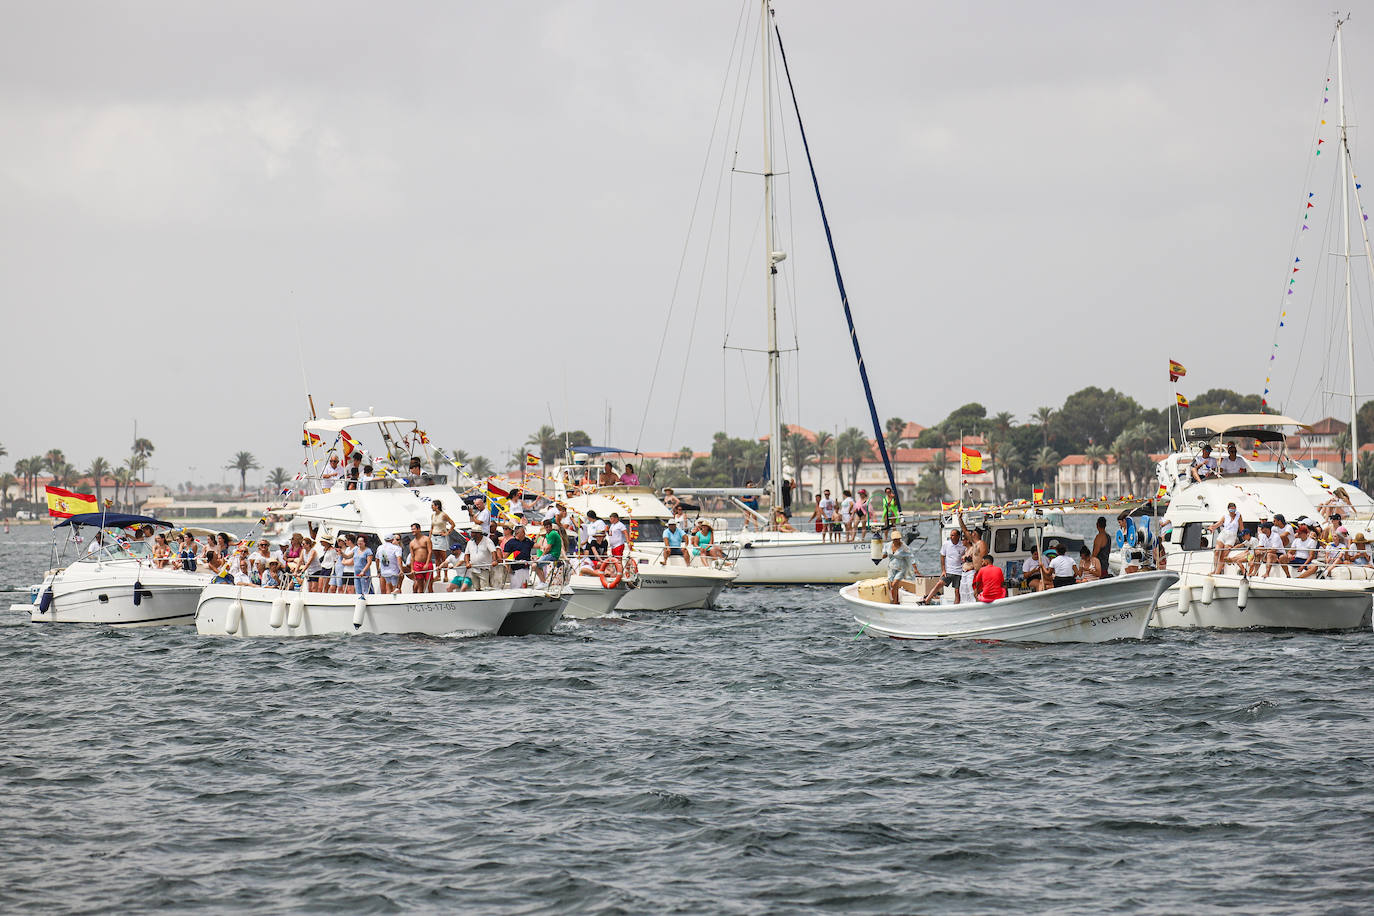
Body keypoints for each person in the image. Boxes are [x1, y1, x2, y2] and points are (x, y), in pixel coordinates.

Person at [923, 527, 966, 604]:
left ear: (958, 536)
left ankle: (956, 607)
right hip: (948, 571)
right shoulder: (946, 544)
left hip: (959, 572)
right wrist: (943, 570)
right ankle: (927, 600)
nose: (951, 537)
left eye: (953, 535)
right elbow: (942, 556)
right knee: (939, 584)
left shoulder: (963, 545)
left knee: (957, 592)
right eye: (950, 535)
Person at [883, 532, 918, 604]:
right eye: (895, 539)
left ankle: (894, 601)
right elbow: (885, 554)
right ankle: (896, 600)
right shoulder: (887, 545)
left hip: (901, 568)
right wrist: (879, 557)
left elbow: (911, 558)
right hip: (891, 568)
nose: (897, 541)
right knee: (892, 585)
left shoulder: (904, 547)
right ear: (892, 539)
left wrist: (915, 569)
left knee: (894, 584)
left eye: (898, 539)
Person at [1208, 502, 1243, 574]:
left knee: (1223, 555)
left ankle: (1217, 572)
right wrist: (1212, 527)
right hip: (1223, 534)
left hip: (1231, 537)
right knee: (1217, 551)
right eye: (1231, 511)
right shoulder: (1225, 516)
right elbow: (1218, 524)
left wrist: (1246, 537)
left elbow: (1241, 527)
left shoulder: (1238, 516)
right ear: (1228, 510)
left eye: (1234, 510)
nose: (1232, 512)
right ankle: (1215, 569)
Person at [408, 523, 434, 593]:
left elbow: (430, 552)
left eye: (414, 529)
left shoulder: (426, 539)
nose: (412, 531)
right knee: (420, 586)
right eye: (412, 529)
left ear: (419, 529)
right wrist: (412, 569)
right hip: (417, 565)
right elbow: (412, 556)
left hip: (427, 563)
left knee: (429, 585)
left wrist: (427, 564)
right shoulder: (412, 543)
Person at [536, 517, 563, 584]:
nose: (548, 528)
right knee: (537, 565)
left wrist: (541, 556)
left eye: (549, 527)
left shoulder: (552, 534)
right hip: (552, 554)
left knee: (535, 565)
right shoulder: (549, 534)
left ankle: (543, 583)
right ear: (544, 528)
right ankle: (543, 582)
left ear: (551, 526)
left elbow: (548, 548)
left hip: (553, 555)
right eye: (546, 527)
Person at [431, 500, 457, 568]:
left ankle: (445, 575)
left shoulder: (443, 515)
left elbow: (453, 524)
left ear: (437, 506)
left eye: (432, 505)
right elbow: (432, 527)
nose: (431, 507)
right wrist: (429, 537)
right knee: (436, 557)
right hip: (434, 537)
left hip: (441, 537)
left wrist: (447, 533)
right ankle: (438, 574)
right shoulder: (433, 515)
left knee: (443, 557)